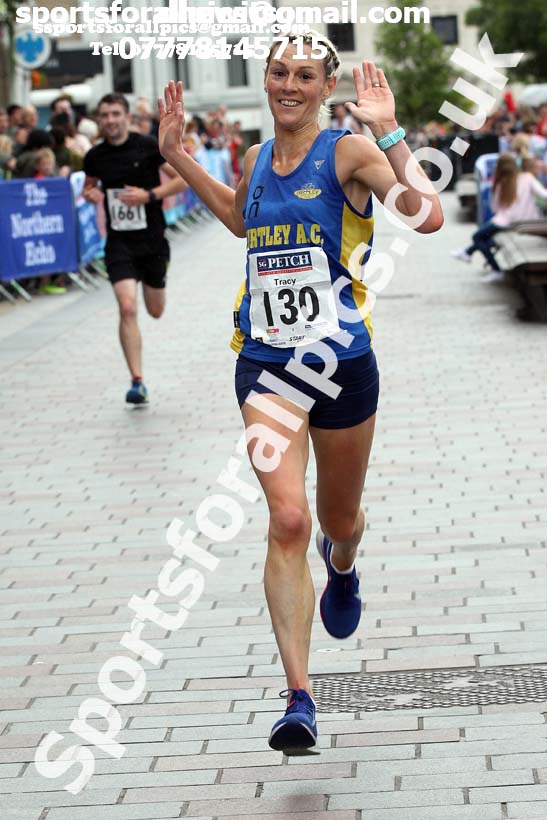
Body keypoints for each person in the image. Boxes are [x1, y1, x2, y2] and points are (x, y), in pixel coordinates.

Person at [158, 32, 443, 753]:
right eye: (279, 72)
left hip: (340, 363)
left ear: (325, 86)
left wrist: (391, 133)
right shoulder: (256, 158)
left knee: (337, 519)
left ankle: (341, 564)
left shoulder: (348, 153)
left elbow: (426, 215)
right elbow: (240, 220)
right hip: (264, 364)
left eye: (305, 75)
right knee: (286, 518)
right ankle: (299, 697)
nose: (290, 85)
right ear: (266, 80)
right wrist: (178, 155)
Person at [83, 92, 187, 404]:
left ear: (127, 117)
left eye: (116, 114)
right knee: (127, 307)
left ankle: (156, 279)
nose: (110, 120)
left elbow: (182, 180)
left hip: (152, 240)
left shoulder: (147, 145)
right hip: (119, 243)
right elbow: (89, 186)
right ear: (99, 120)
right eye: (105, 115)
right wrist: (90, 194)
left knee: (155, 311)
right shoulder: (95, 156)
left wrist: (148, 195)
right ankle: (137, 381)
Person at [452, 153, 547, 276]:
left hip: (506, 222)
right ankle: (467, 253)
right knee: (486, 239)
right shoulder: (527, 178)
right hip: (527, 221)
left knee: (477, 237)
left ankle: (495, 269)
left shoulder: (501, 183)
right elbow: (544, 195)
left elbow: (495, 207)